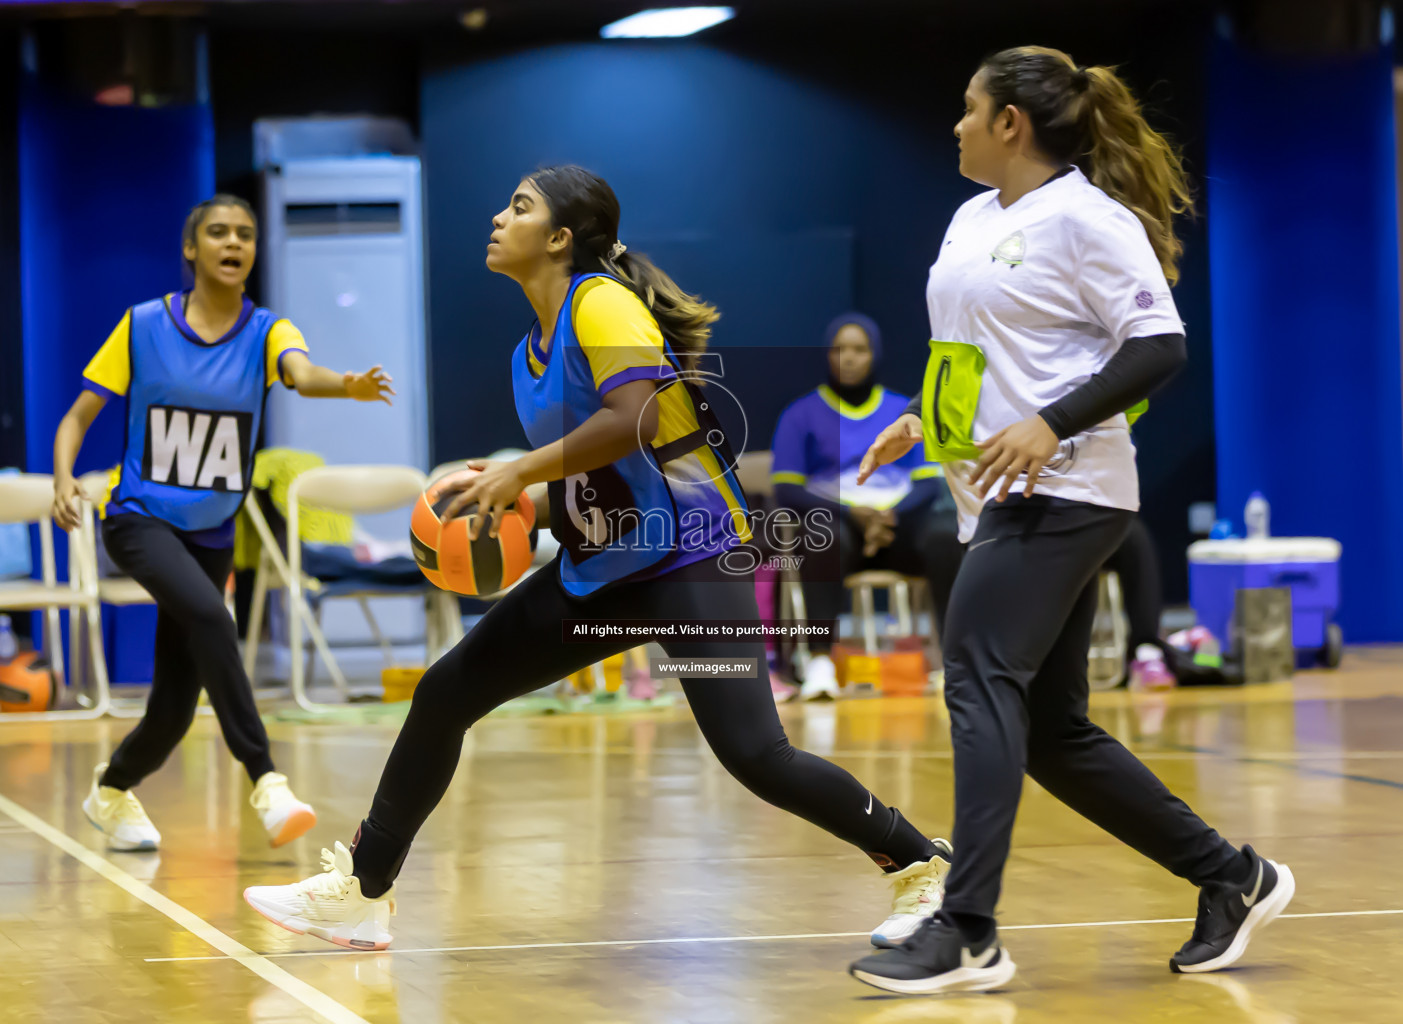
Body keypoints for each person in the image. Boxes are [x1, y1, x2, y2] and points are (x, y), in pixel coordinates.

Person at [243, 165, 952, 952]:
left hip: (692, 561)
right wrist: (504, 501)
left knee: (756, 756)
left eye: (518, 207)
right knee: (447, 691)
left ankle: (920, 863)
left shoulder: (602, 303)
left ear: (558, 239)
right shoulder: (529, 353)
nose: (495, 216)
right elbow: (594, 475)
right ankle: (361, 894)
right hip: (607, 570)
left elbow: (636, 423)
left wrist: (523, 468)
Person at [847, 48, 1293, 994]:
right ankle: (1232, 876)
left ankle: (968, 928)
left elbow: (1158, 344)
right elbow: (977, 355)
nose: (957, 125)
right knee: (1052, 732)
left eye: (969, 109)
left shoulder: (1090, 221)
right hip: (991, 495)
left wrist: (1049, 423)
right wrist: (918, 424)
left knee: (973, 675)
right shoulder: (974, 217)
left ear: (1010, 122)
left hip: (1067, 490)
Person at [51, 194, 395, 852]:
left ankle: (111, 790)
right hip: (139, 518)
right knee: (214, 618)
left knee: (174, 709)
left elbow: (302, 372)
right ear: (192, 249)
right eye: (217, 232)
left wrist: (343, 384)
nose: (233, 242)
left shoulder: (269, 332)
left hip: (211, 531)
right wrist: (65, 476)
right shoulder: (144, 325)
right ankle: (266, 779)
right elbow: (76, 418)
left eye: (244, 234)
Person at [770, 312, 961, 700]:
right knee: (822, 536)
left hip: (899, 528)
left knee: (944, 536)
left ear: (874, 354)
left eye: (859, 349)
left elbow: (928, 483)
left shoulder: (902, 409)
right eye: (840, 350)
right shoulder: (800, 414)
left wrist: (887, 516)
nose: (850, 358)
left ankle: (955, 663)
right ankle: (821, 662)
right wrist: (854, 514)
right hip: (842, 531)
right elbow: (786, 489)